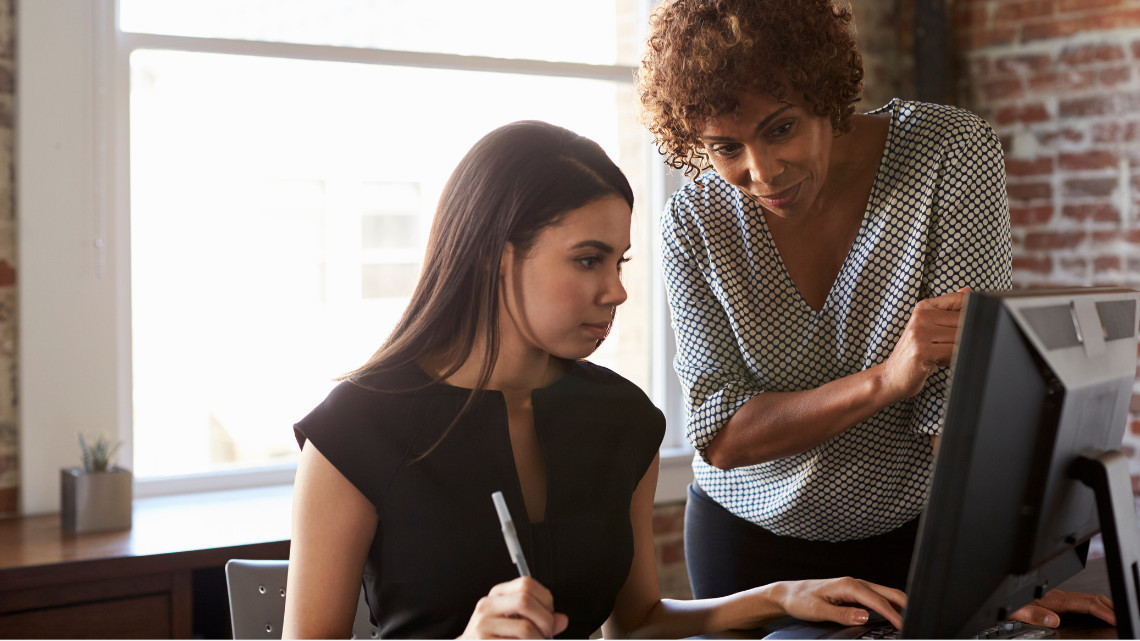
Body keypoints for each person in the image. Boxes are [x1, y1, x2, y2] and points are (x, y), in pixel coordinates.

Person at [282, 120, 908, 639]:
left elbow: (636, 622)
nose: (616, 291)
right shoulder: (354, 432)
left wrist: (781, 596)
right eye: (587, 260)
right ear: (496, 256)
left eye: (618, 261)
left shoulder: (623, 419)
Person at [636, 0, 1115, 629]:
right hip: (749, 548)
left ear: (826, 95)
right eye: (726, 147)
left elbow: (958, 406)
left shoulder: (947, 154)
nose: (761, 171)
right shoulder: (693, 220)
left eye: (781, 128)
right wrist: (886, 380)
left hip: (914, 539)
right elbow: (721, 434)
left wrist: (998, 578)